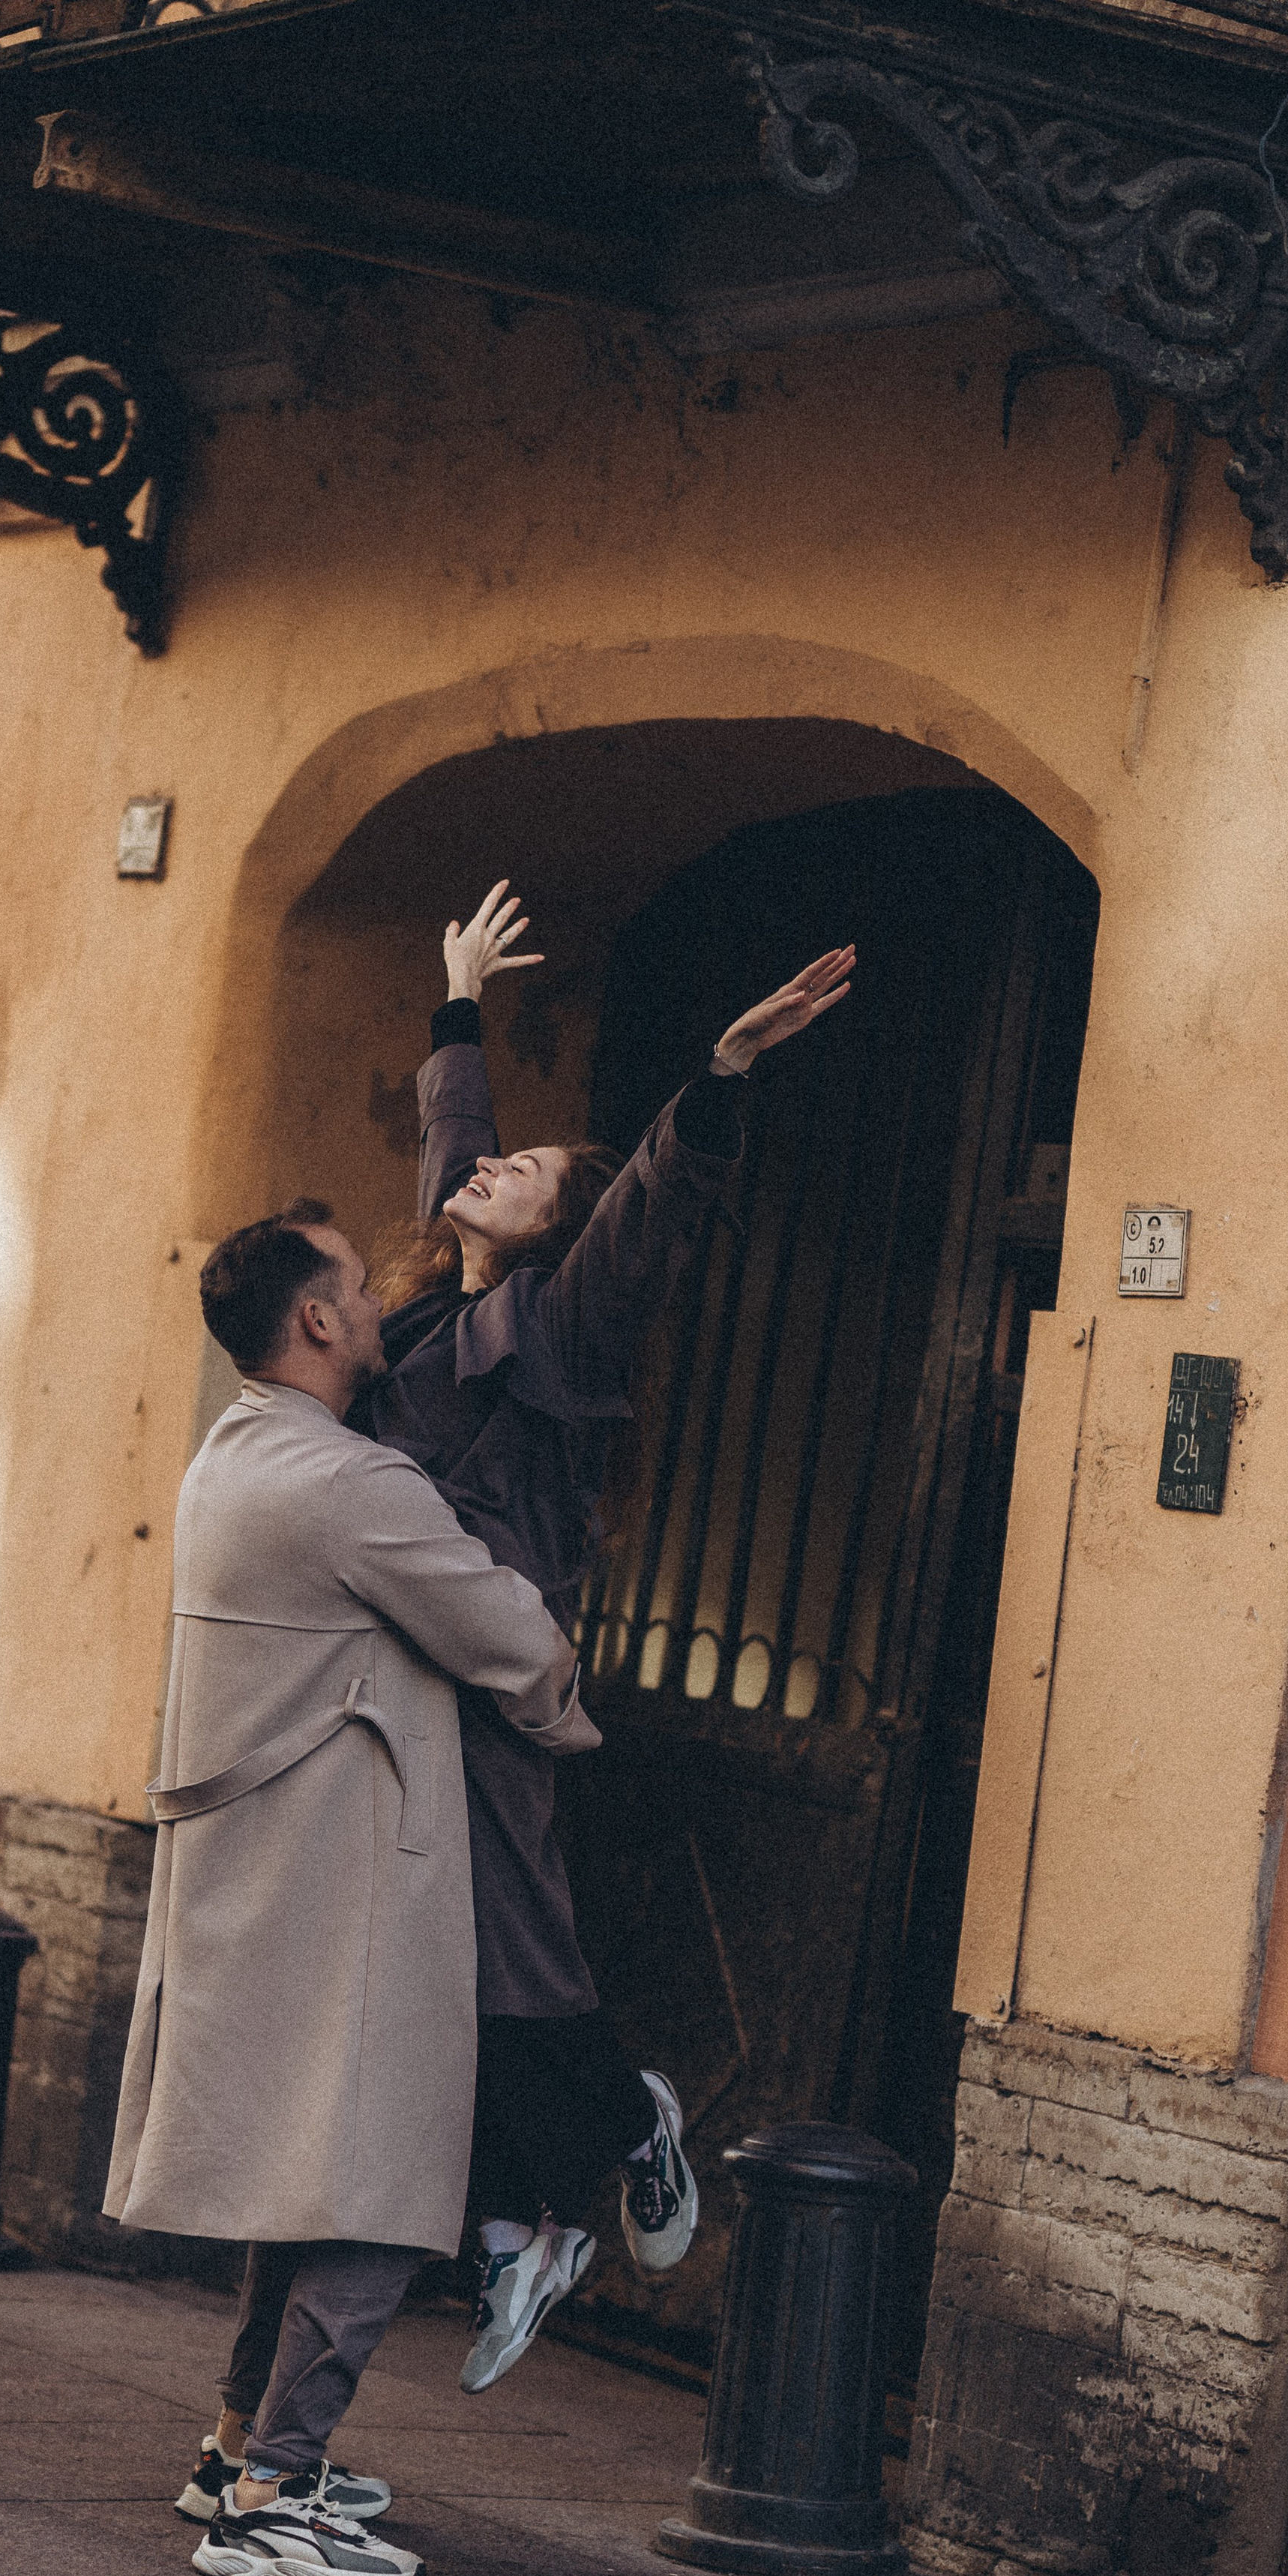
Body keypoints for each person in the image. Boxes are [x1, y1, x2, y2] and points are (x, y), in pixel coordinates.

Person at [359, 884, 855, 2390]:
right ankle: (519, 2220)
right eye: (495, 1158)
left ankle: (614, 2136)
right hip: (397, 1679)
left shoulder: (557, 1331)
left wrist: (718, 1076)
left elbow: (644, 1220)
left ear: (556, 1233)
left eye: (526, 1176)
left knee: (502, 1947)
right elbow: (454, 1153)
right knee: (432, 1965)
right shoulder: (440, 1307)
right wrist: (457, 1008)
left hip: (492, 1683)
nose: (489, 1167)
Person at [104, 1198, 599, 2576]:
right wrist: (569, 1708)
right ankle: (274, 2492)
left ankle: (235, 2448)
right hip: (349, 1886)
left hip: (274, 1880)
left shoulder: (236, 1452)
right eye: (360, 1288)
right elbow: (506, 1633)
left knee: (305, 2180)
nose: (387, 1301)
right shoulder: (349, 1485)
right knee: (381, 2188)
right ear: (316, 1320)